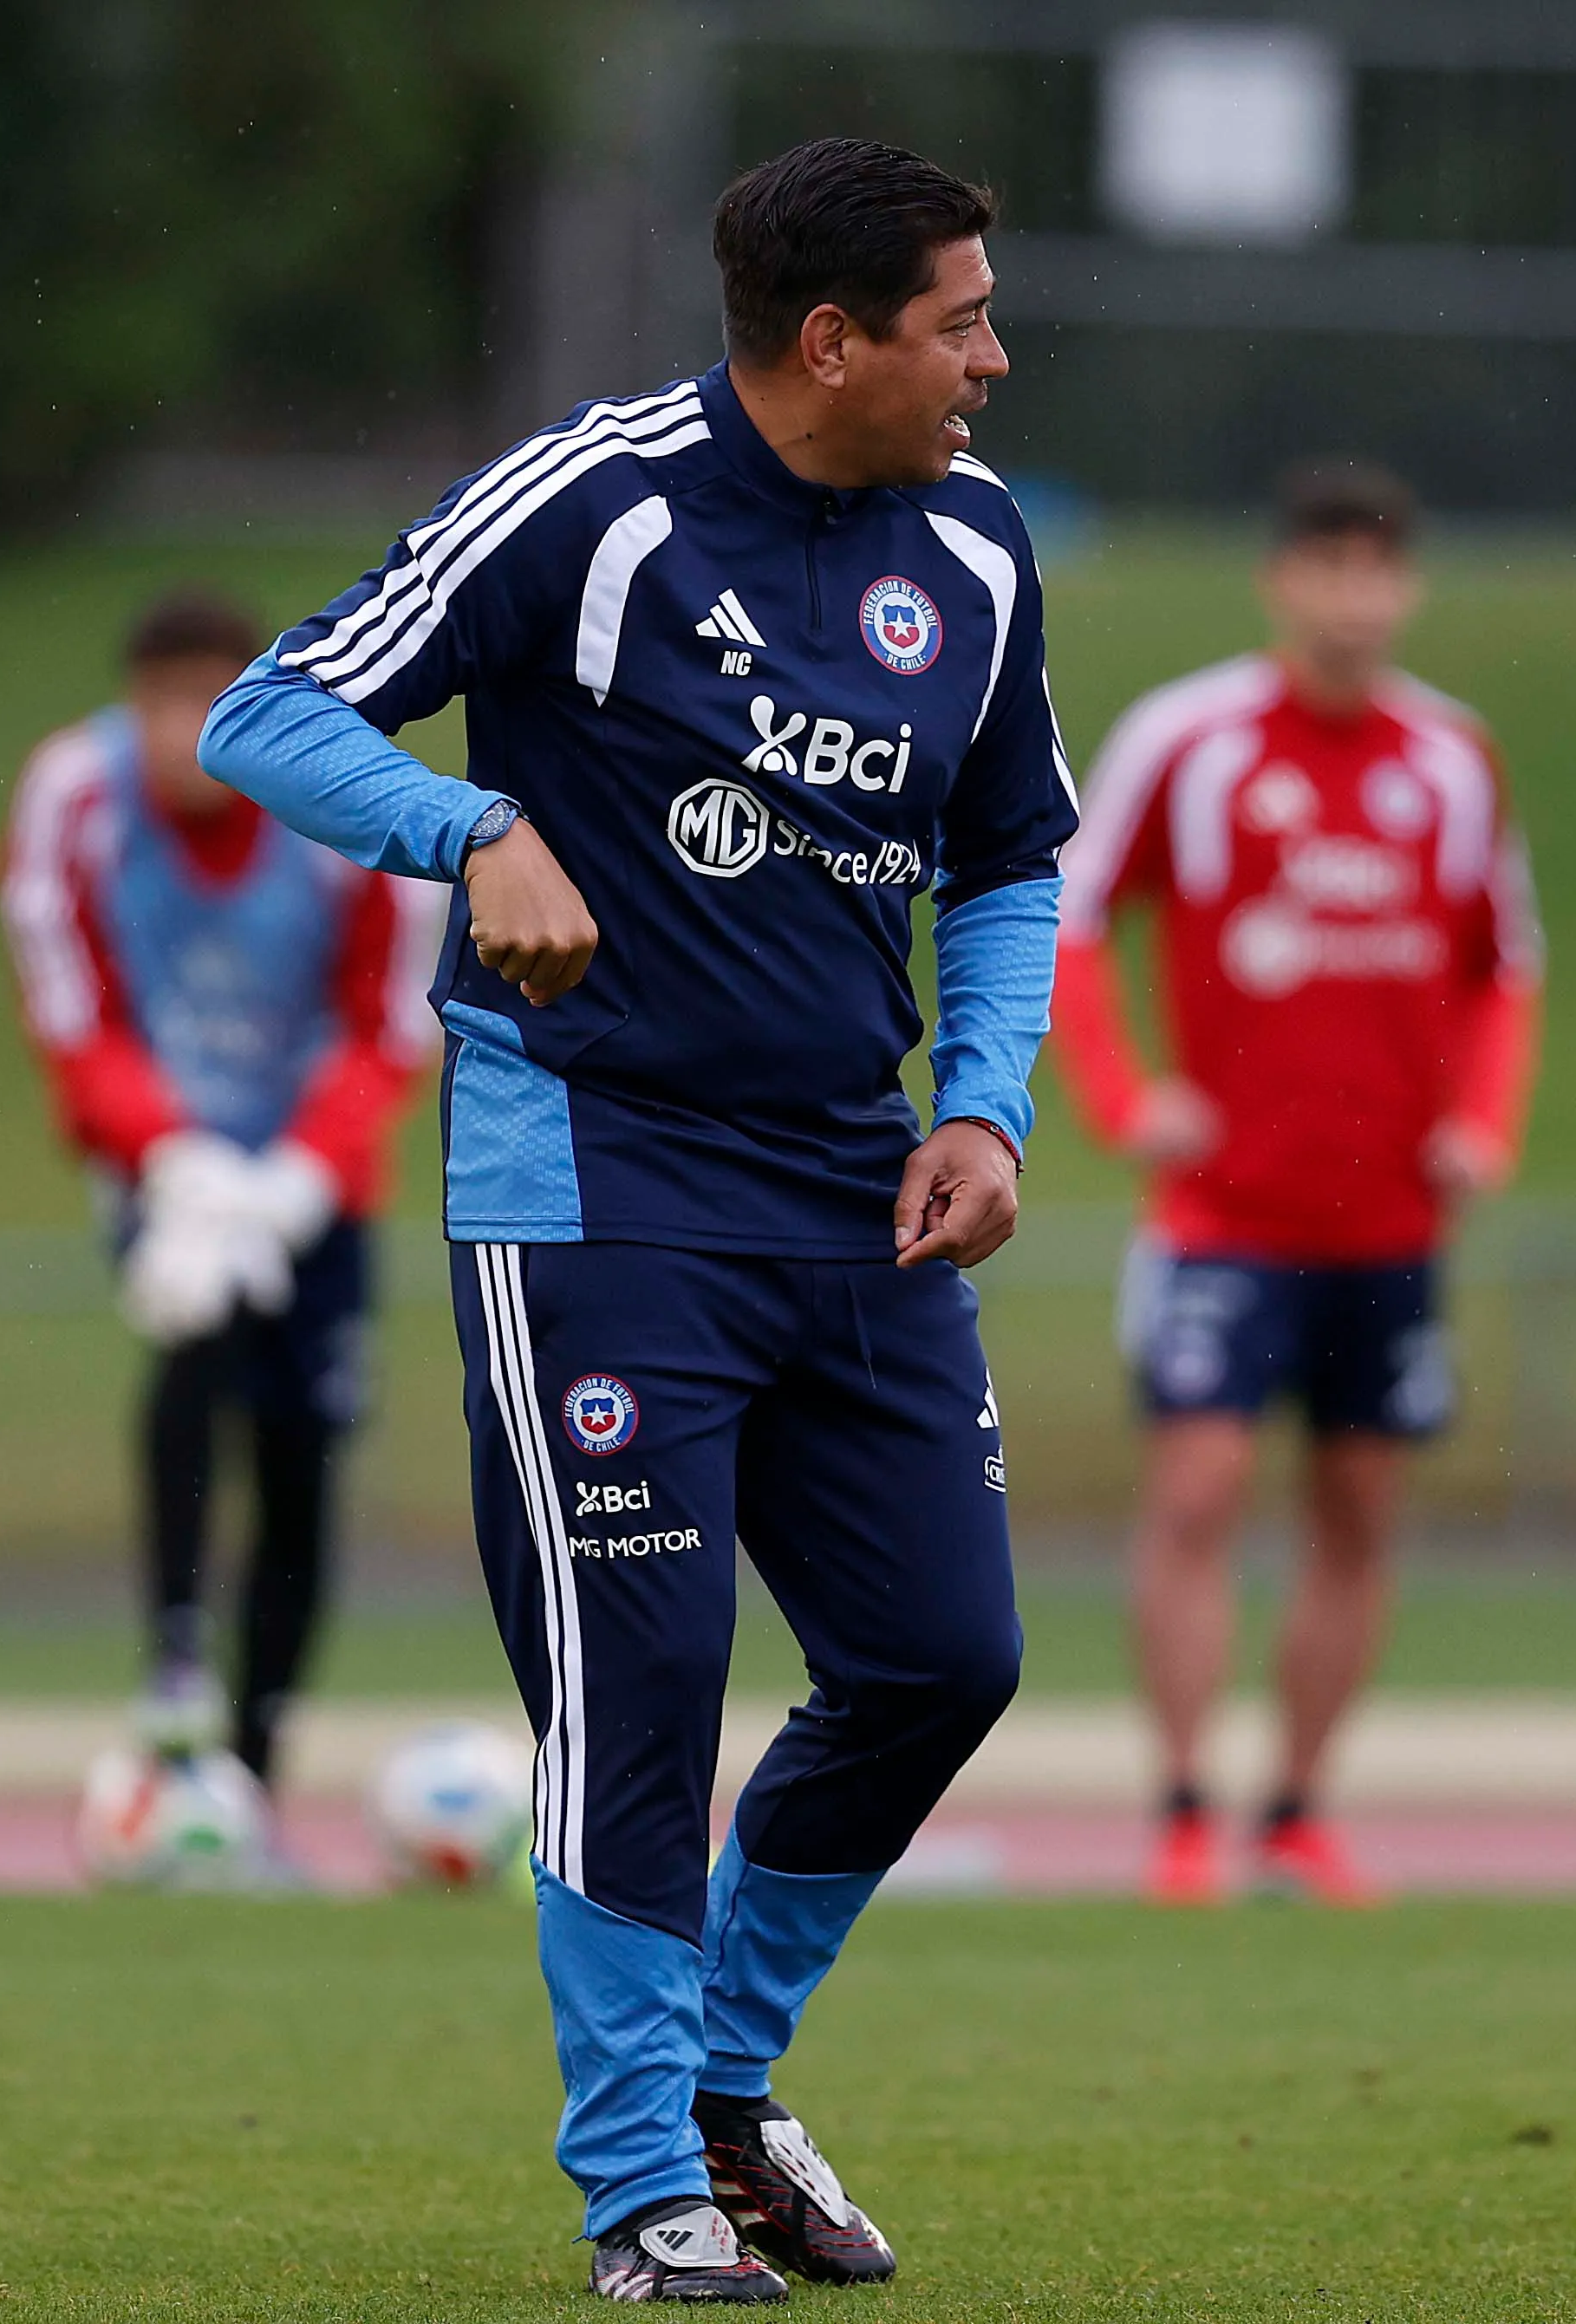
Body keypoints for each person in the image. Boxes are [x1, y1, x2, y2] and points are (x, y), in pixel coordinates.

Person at [194, 140, 1074, 2302]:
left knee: (942, 1655)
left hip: (850, 1180)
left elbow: (1007, 855)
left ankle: (720, 2081)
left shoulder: (976, 546)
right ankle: (639, 2186)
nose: (993, 357)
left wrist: (983, 1103)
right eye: (960, 320)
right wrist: (470, 823)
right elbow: (265, 712)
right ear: (832, 341)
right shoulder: (590, 503)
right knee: (642, 1684)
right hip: (593, 1174)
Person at [1051, 461, 1543, 1909]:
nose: (1353, 598)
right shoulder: (1188, 740)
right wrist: (1124, 1098)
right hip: (1224, 1216)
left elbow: (1505, 966)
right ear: (1280, 582)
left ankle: (1298, 1811)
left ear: (1408, 589)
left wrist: (1483, 1123)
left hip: (1387, 1221)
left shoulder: (1451, 758)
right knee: (1198, 1489)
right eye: (1327, 567)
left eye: (1377, 569)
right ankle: (1182, 1809)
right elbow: (1070, 919)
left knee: (1358, 1512)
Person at [0, 588, 444, 1795]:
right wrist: (174, 1163)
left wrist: (299, 1178)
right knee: (196, 1343)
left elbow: (393, 1016)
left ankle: (258, 1751)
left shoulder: (344, 798)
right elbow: (69, 1011)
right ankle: (177, 1665)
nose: (182, 732)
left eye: (210, 701)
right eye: (161, 704)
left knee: (303, 1444)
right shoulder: (74, 797)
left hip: (314, 1176)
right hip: (167, 1161)